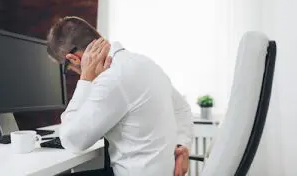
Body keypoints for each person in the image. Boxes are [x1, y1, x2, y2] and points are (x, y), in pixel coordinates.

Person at [47, 16, 194, 176]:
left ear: (74, 59)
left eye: (71, 69)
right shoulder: (144, 63)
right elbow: (182, 109)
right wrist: (183, 145)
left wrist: (85, 80)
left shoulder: (112, 77)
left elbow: (72, 141)